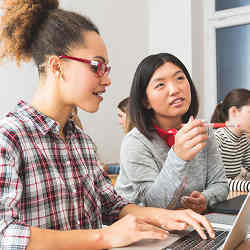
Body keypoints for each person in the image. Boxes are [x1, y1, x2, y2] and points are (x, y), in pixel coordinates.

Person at [0, 1, 215, 249]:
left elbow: (111, 205)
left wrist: (163, 215)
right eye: (97, 66)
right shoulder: (10, 137)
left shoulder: (80, 141)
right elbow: (5, 233)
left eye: (107, 68)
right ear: (57, 66)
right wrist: (104, 237)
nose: (108, 80)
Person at [115, 53, 229, 214]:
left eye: (180, 78)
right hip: (147, 230)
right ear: (145, 101)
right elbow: (154, 206)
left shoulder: (202, 130)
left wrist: (204, 199)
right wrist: (178, 157)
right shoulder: (135, 142)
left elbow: (220, 184)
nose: (175, 89)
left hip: (190, 224)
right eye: (160, 85)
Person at [211, 88, 250, 192]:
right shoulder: (217, 139)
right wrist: (247, 186)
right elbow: (218, 183)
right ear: (233, 112)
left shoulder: (244, 140)